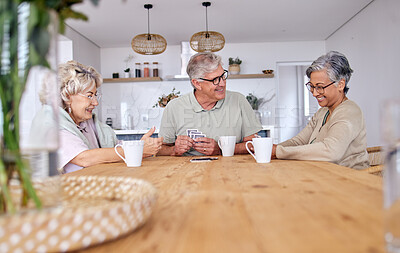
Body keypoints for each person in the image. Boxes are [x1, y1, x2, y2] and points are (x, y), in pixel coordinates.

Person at [46, 60, 162, 173]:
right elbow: (84, 158)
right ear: (67, 96)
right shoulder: (55, 126)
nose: (96, 103)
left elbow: (117, 147)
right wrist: (138, 150)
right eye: (89, 96)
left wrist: (141, 145)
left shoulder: (89, 123)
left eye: (95, 95)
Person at [271, 51, 369, 169]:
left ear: (341, 84)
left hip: (348, 179)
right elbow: (299, 141)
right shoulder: (322, 112)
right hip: (323, 173)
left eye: (320, 87)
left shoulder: (349, 111)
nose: (314, 93)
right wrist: (272, 149)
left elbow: (331, 151)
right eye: (311, 86)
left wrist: (279, 152)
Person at [158, 52, 262, 156]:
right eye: (215, 80)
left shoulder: (239, 101)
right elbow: (160, 149)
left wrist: (222, 149)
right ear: (197, 83)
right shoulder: (174, 107)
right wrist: (174, 150)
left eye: (223, 76)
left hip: (230, 170)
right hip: (188, 171)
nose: (222, 83)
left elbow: (254, 145)